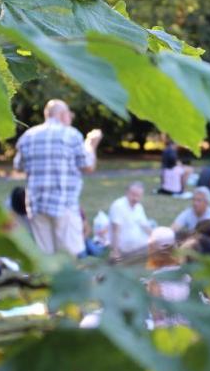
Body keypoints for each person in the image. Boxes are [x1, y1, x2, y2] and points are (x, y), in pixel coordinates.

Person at [13, 99, 102, 256]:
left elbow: (18, 166)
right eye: (70, 114)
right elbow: (88, 166)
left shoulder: (28, 136)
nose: (71, 118)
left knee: (47, 257)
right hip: (64, 204)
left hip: (36, 204)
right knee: (71, 256)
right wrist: (91, 144)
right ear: (62, 114)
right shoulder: (71, 134)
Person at [146, 227, 190, 327]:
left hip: (167, 330)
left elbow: (156, 314)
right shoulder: (185, 274)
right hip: (187, 328)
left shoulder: (157, 278)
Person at [109, 181, 153, 258]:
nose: (135, 198)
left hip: (138, 241)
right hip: (126, 245)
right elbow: (115, 230)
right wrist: (115, 252)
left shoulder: (138, 207)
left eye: (138, 196)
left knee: (153, 224)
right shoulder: (118, 206)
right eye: (133, 195)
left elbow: (146, 227)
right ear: (127, 192)